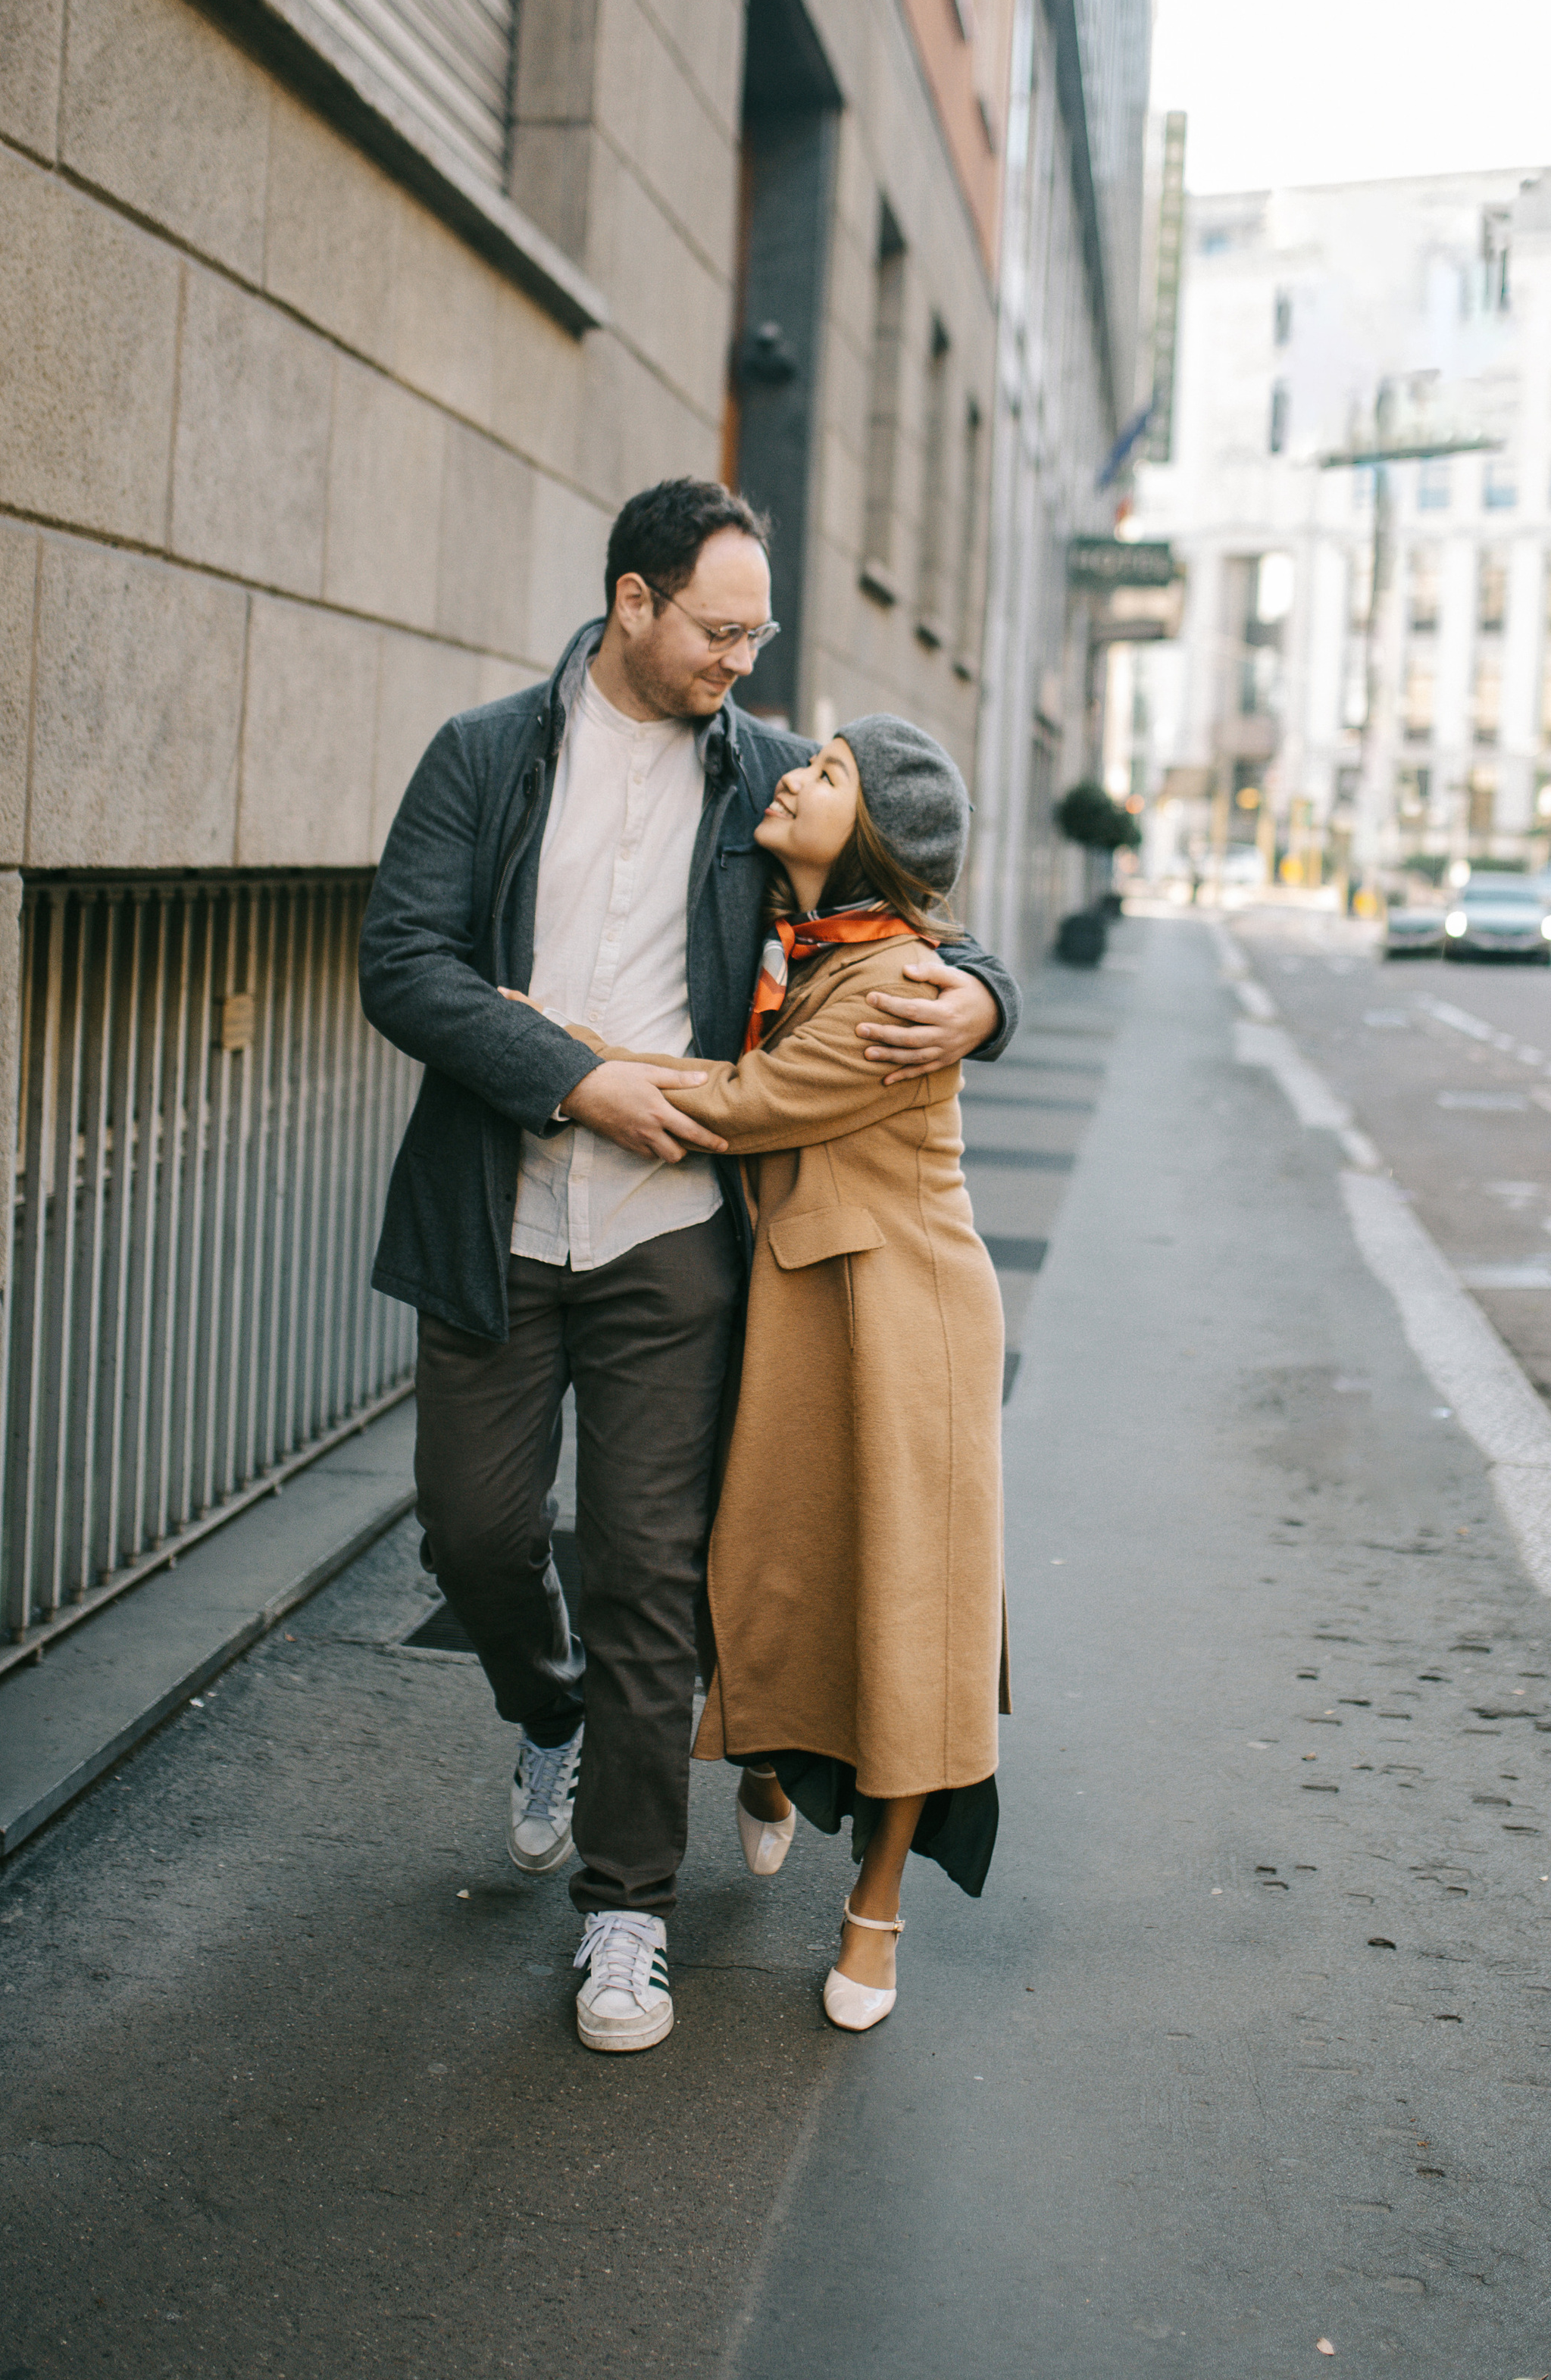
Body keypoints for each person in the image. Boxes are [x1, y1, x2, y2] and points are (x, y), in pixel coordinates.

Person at [358, 478, 1020, 2054]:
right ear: (633, 602)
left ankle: (625, 1916)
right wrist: (572, 1078)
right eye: (720, 628)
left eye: (759, 629)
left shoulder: (768, 773)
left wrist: (987, 997)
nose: (744, 656)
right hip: (500, 1226)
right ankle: (544, 1716)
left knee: (654, 1575)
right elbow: (404, 961)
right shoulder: (484, 755)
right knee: (477, 1535)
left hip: (674, 1248)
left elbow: (904, 898)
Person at [553, 718, 1006, 2035]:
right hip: (804, 1301)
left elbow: (741, 1104)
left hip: (906, 1316)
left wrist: (559, 1047)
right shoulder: (797, 938)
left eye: (832, 774)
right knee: (770, 1564)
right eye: (808, 758)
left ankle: (876, 1912)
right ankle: (776, 1764)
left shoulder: (895, 987)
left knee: (911, 1613)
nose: (798, 774)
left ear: (868, 834)